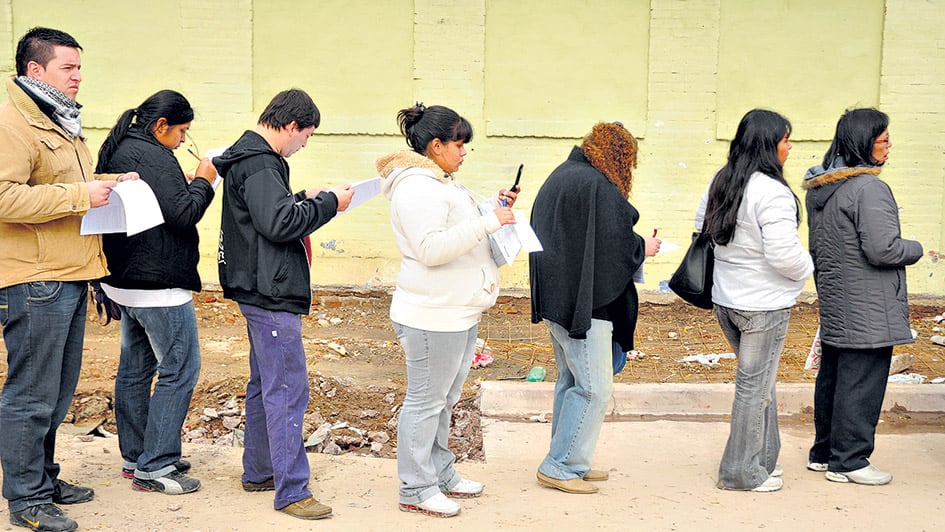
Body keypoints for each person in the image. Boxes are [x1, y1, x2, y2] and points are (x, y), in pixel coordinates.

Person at [0, 27, 137, 532]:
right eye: (67, 68)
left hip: (71, 272)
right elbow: (3, 198)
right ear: (35, 71)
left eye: (80, 67)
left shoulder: (58, 119)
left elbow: (66, 186)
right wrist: (81, 196)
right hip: (34, 278)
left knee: (57, 392)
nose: (78, 77)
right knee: (31, 393)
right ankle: (27, 499)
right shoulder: (12, 124)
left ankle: (43, 478)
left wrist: (106, 186)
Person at [214, 89, 354, 520]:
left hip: (256, 286)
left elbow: (266, 214)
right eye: (306, 135)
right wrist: (329, 203)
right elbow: (278, 224)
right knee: (289, 389)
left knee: (265, 384)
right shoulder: (260, 162)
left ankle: (260, 470)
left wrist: (302, 196)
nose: (304, 144)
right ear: (291, 126)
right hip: (271, 292)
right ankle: (293, 490)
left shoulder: (252, 159)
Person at [377, 103, 517, 517]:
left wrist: (490, 209)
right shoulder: (417, 187)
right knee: (425, 400)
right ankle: (416, 487)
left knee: (444, 399)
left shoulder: (442, 182)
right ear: (436, 146)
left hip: (456, 312)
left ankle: (440, 472)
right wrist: (489, 221)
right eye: (460, 144)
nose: (464, 152)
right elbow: (431, 249)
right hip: (430, 316)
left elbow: (459, 232)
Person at [96, 90, 217, 495]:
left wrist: (181, 186)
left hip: (123, 281)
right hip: (158, 285)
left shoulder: (120, 147)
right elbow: (184, 214)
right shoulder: (154, 155)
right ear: (161, 126)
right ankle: (158, 466)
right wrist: (203, 179)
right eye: (182, 131)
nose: (184, 140)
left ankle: (137, 455)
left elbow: (161, 202)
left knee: (135, 369)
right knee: (181, 368)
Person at [530, 122, 660, 495]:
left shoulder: (564, 175)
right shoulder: (597, 186)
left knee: (570, 381)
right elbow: (615, 245)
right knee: (595, 389)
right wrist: (643, 248)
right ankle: (562, 465)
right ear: (620, 157)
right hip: (585, 308)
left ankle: (569, 457)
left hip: (558, 300)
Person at [802, 108, 922, 486]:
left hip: (838, 299)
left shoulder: (823, 188)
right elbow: (883, 249)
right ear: (863, 142)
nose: (889, 147)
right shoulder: (869, 188)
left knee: (835, 377)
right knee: (863, 383)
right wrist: (916, 248)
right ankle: (850, 461)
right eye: (884, 139)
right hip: (869, 304)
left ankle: (825, 453)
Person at [697, 109, 813, 493]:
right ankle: (739, 473)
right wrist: (807, 267)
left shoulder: (723, 180)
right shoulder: (772, 192)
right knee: (754, 387)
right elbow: (784, 255)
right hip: (763, 306)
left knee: (760, 383)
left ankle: (764, 460)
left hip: (727, 301)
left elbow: (702, 227)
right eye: (785, 140)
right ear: (768, 145)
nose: (790, 146)